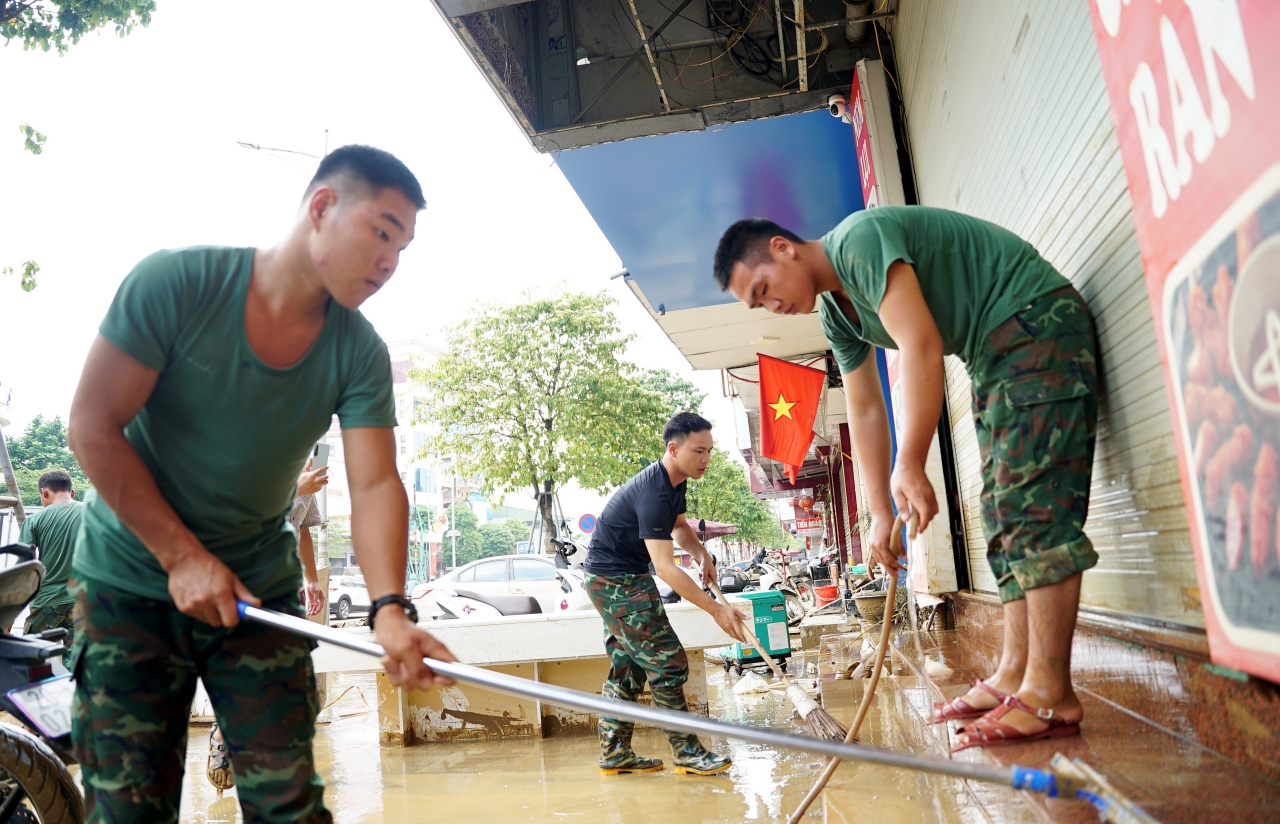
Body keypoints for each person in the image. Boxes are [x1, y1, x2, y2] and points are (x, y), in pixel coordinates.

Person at [66, 144, 457, 822]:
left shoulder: (358, 350)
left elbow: (371, 487)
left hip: (256, 595)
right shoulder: (176, 283)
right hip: (130, 582)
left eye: (404, 248)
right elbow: (91, 426)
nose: (391, 262)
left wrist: (390, 608)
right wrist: (181, 557)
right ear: (321, 207)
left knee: (288, 807)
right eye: (383, 232)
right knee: (127, 812)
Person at [714, 207, 1098, 750]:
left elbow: (919, 343)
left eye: (764, 288)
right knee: (1004, 517)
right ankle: (1015, 673)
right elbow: (866, 408)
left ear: (783, 248)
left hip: (1035, 324)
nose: (773, 306)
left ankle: (1051, 695)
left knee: (1034, 512)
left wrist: (911, 460)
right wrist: (879, 513)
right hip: (994, 355)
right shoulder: (836, 316)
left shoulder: (858, 242)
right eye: (759, 305)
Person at [582, 412, 749, 776]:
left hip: (621, 577)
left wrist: (702, 554)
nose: (706, 459)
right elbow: (666, 568)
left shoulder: (675, 483)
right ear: (673, 449)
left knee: (628, 669)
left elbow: (678, 527)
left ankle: (614, 753)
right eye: (698, 451)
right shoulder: (655, 490)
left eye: (709, 451)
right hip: (616, 581)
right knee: (668, 662)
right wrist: (715, 610)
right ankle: (687, 752)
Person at [207, 456, 330, 793]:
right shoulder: (253, 462)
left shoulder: (307, 481)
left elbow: (302, 528)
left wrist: (312, 579)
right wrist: (293, 489)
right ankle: (223, 732)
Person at [17, 469, 83, 644]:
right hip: (86, 599)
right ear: (72, 492)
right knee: (79, 663)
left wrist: (10, 614)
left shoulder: (34, 520)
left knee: (31, 658)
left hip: (47, 600)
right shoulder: (93, 513)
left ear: (44, 492)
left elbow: (23, 569)